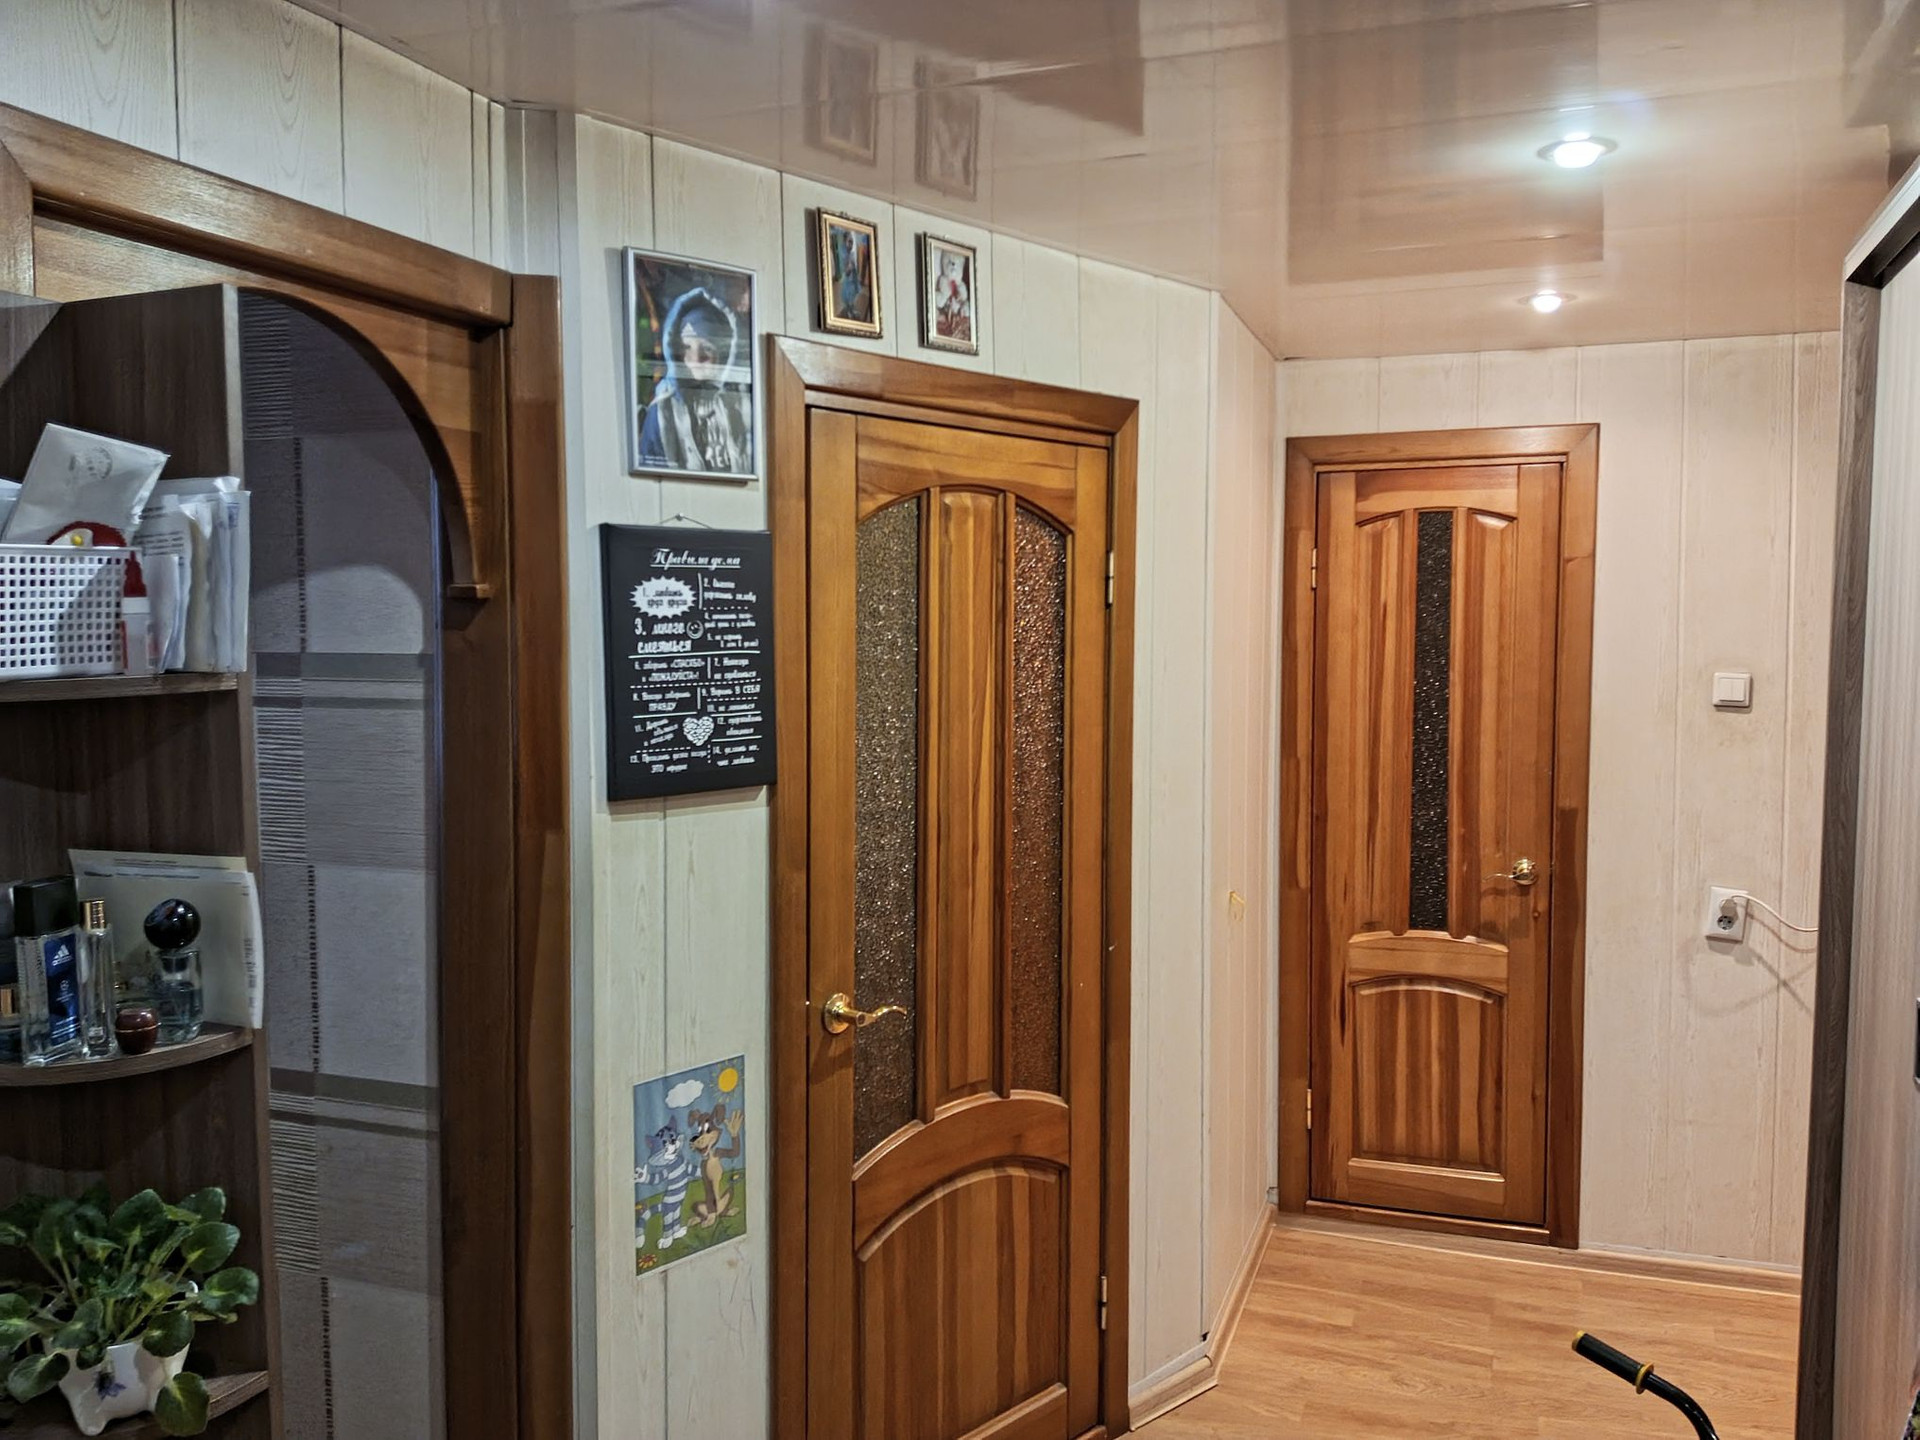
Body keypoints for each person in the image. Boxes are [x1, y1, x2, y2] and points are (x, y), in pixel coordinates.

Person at [638, 285, 752, 475]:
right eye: (686, 347)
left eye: (707, 348)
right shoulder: (664, 409)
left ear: (724, 354)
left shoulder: (743, 404)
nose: (696, 358)